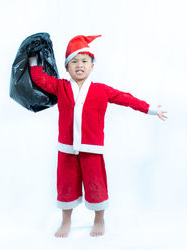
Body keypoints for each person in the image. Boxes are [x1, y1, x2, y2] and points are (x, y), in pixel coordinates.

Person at [28, 35, 168, 238]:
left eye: (84, 61)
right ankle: (66, 220)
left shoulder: (101, 90)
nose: (79, 65)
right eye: (74, 61)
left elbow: (126, 99)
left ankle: (99, 218)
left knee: (96, 185)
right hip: (66, 149)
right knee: (65, 185)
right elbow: (40, 79)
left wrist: (150, 109)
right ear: (66, 68)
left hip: (92, 149)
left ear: (92, 66)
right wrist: (32, 59)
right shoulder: (61, 87)